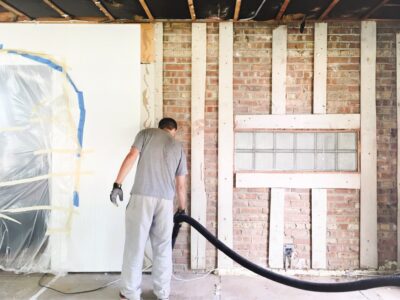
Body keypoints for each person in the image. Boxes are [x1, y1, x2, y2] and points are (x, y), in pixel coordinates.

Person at [110, 117, 187, 300]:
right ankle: (162, 293)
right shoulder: (178, 147)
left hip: (142, 197)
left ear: (159, 127)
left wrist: (117, 185)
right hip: (165, 202)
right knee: (163, 248)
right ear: (173, 130)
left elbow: (131, 157)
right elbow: (181, 186)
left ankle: (130, 293)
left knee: (135, 246)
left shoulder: (145, 134)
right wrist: (182, 210)